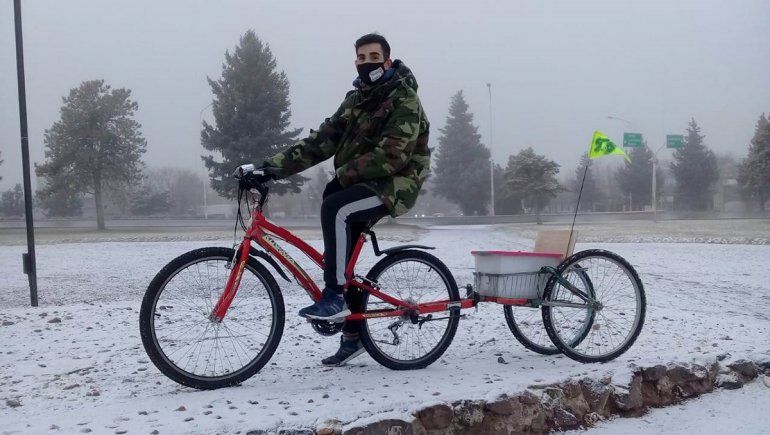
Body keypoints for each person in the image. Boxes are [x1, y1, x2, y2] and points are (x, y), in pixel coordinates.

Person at [238, 33, 430, 366]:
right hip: (363, 182)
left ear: (387, 61)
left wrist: (345, 175)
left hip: (395, 183)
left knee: (336, 207)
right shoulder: (356, 99)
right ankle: (352, 335)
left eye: (373, 56)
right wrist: (269, 168)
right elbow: (321, 141)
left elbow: (394, 154)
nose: (366, 62)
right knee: (339, 261)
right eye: (360, 57)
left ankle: (333, 297)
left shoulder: (405, 100)